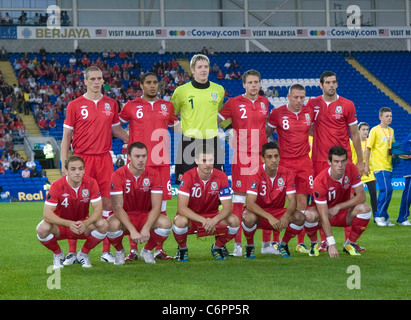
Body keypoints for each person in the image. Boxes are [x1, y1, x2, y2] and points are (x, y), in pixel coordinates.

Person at [61, 66, 129, 263]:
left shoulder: (111, 103)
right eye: (92, 79)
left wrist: (134, 141)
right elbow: (67, 136)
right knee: (77, 205)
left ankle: (105, 251)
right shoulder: (75, 104)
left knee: (107, 203)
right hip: (81, 159)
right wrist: (65, 163)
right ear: (85, 81)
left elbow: (116, 129)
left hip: (104, 158)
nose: (97, 82)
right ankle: (73, 251)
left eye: (100, 78)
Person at [119, 72, 181, 260]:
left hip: (162, 164)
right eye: (148, 83)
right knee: (134, 207)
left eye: (155, 83)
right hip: (139, 165)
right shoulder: (131, 106)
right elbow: (115, 126)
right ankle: (132, 250)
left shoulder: (167, 106)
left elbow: (178, 127)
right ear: (141, 85)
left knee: (161, 209)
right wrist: (131, 142)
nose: (152, 86)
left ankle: (157, 248)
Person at [305, 71, 364, 251]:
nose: (331, 85)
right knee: (321, 201)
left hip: (343, 160)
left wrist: (360, 161)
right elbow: (305, 128)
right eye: (328, 83)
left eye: (334, 82)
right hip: (320, 160)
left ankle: (349, 242)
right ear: (321, 85)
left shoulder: (347, 104)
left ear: (337, 84)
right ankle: (324, 241)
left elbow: (354, 134)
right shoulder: (313, 104)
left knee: (350, 198)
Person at [217, 69, 269, 256]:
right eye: (250, 83)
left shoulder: (264, 102)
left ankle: (266, 244)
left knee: (262, 199)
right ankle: (238, 246)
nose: (254, 86)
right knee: (238, 200)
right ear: (244, 85)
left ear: (260, 84)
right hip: (241, 157)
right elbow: (217, 118)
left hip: (260, 157)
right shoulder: (234, 103)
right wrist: (231, 131)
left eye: (256, 82)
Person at [266, 84, 314, 254]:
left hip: (303, 163)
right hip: (284, 163)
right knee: (276, 202)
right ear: (288, 96)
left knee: (302, 204)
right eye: (296, 97)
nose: (299, 100)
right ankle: (273, 241)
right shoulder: (277, 113)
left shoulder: (309, 112)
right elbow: (266, 133)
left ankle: (295, 242)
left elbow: (316, 131)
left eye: (302, 97)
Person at [36, 156, 108, 269]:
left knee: (103, 225)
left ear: (84, 170)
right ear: (66, 171)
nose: (77, 172)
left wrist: (86, 222)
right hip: (61, 227)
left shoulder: (91, 183)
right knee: (42, 229)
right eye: (73, 169)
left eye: (80, 169)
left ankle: (83, 254)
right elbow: (47, 214)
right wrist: (69, 224)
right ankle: (58, 254)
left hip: (82, 225)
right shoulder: (56, 185)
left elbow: (98, 210)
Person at [106, 142, 172, 265]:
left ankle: (147, 250)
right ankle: (120, 251)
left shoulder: (154, 174)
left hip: (145, 215)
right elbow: (118, 208)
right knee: (110, 225)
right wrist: (132, 230)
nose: (141, 160)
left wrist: (146, 228)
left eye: (144, 156)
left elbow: (157, 206)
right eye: (137, 156)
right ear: (129, 157)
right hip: (125, 215)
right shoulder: (118, 175)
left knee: (166, 223)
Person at [172, 145, 239, 261]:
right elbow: (182, 208)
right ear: (196, 161)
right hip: (191, 218)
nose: (208, 164)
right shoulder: (188, 176)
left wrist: (214, 220)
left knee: (234, 221)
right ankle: (182, 249)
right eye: (203, 160)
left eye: (210, 160)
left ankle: (217, 247)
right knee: (180, 222)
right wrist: (204, 221)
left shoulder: (221, 176)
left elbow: (228, 208)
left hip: (212, 216)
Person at [242, 142, 305, 259]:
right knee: (248, 218)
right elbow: (250, 203)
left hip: (278, 211)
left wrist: (286, 216)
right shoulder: (255, 173)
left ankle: (283, 244)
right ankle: (250, 245)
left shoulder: (287, 173)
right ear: (263, 159)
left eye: (276, 156)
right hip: (259, 213)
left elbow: (292, 201)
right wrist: (269, 217)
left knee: (300, 217)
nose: (274, 160)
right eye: (269, 157)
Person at [305, 146, 371, 258]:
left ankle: (350, 243)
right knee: (309, 215)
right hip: (324, 215)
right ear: (329, 162)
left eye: (343, 161)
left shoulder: (352, 169)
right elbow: (323, 215)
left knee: (365, 209)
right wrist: (332, 244)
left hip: (343, 213)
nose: (340, 165)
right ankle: (314, 243)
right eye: (336, 161)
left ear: (346, 160)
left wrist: (339, 206)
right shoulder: (320, 181)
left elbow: (361, 197)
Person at [170, 54, 225, 184]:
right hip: (189, 142)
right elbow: (169, 114)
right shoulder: (181, 91)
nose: (203, 70)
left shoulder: (219, 90)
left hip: (212, 141)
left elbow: (220, 113)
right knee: (186, 185)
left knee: (216, 184)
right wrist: (176, 127)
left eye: (206, 66)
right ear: (193, 70)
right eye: (199, 67)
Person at [364, 107, 396, 226]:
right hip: (379, 165)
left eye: (391, 116)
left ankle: (384, 217)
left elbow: (392, 146)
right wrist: (367, 166)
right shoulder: (374, 130)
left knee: (388, 191)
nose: (389, 118)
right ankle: (378, 216)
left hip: (389, 165)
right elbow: (368, 148)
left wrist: (394, 154)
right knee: (386, 189)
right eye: (387, 116)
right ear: (380, 117)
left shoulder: (391, 131)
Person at [351, 122, 378, 220]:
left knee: (373, 193)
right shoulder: (353, 142)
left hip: (368, 172)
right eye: (363, 129)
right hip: (356, 172)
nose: (366, 132)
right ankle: (355, 214)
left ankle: (376, 215)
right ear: (358, 131)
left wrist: (374, 173)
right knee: (355, 195)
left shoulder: (370, 143)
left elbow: (373, 158)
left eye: (367, 130)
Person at [398, 132, 411, 225]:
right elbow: (402, 153)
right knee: (408, 195)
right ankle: (402, 218)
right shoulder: (408, 139)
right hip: (410, 172)